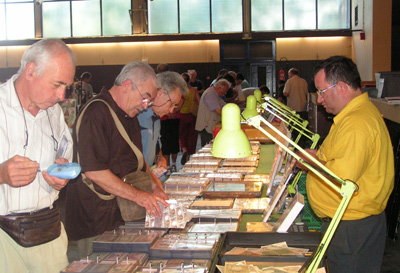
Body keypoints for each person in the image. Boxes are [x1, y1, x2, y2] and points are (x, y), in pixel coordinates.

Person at [298, 56, 394, 273]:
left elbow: (341, 181)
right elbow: (344, 161)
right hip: (351, 224)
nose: (319, 100)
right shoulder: (353, 116)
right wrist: (319, 156)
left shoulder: (356, 124)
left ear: (341, 87)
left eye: (321, 92)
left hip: (353, 228)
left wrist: (310, 163)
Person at [64, 62, 169, 257]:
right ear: (127, 85)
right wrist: (139, 195)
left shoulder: (128, 114)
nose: (145, 106)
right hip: (97, 219)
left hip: (121, 213)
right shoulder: (96, 113)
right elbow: (94, 171)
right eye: (145, 98)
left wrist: (154, 184)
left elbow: (137, 158)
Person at [0, 39, 75, 272]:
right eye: (56, 85)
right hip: (4, 238)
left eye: (67, 87)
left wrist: (61, 175)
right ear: (30, 71)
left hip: (48, 231)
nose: (62, 96)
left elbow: (65, 152)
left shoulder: (54, 113)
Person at [138, 72, 189, 169]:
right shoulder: (136, 115)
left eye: (175, 106)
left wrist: (159, 157)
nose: (171, 110)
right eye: (171, 104)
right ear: (160, 93)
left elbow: (155, 145)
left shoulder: (157, 118)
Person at [195, 78, 231, 147]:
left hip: (211, 126)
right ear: (218, 88)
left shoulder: (216, 94)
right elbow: (219, 111)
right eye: (223, 92)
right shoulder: (210, 94)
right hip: (207, 127)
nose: (223, 95)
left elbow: (226, 106)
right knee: (208, 149)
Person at [179, 72, 200, 165]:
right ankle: (190, 155)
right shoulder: (193, 90)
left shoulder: (179, 91)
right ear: (189, 80)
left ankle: (184, 150)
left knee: (182, 135)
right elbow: (199, 102)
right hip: (191, 115)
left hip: (181, 115)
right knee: (192, 136)